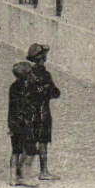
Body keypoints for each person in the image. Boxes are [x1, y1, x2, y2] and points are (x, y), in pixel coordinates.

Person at [25, 44, 61, 179]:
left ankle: (23, 169)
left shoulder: (28, 74)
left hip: (31, 111)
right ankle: (44, 171)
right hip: (43, 111)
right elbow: (56, 92)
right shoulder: (45, 75)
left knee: (31, 140)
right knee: (43, 141)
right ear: (43, 58)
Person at [7, 62, 38, 187]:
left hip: (14, 122)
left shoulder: (13, 87)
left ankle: (13, 177)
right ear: (26, 75)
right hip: (24, 123)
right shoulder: (27, 88)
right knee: (30, 150)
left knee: (15, 151)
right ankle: (25, 175)